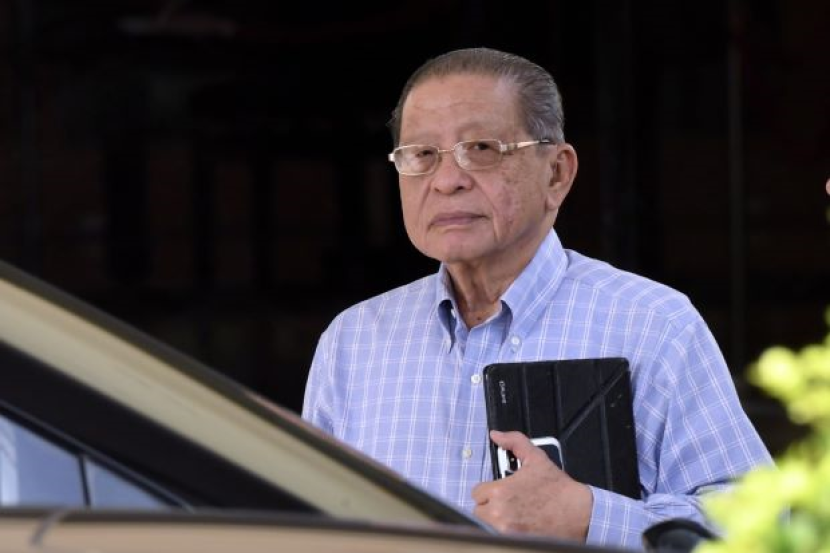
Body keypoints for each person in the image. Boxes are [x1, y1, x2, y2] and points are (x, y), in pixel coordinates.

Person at [302, 47, 772, 548]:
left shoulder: (651, 324)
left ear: (557, 173)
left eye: (481, 148)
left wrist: (591, 517)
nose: (447, 181)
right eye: (421, 155)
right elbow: (303, 522)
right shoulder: (355, 341)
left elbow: (762, 525)